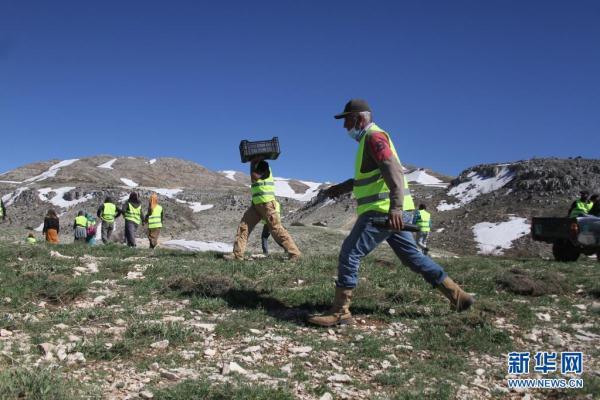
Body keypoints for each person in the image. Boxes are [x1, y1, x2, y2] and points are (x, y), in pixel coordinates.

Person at [308, 99, 474, 327]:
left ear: (359, 118)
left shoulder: (374, 137)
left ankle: (340, 312)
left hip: (383, 212)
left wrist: (394, 207)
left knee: (350, 252)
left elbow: (392, 168)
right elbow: (370, 176)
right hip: (395, 213)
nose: (345, 126)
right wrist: (341, 188)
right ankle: (458, 296)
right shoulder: (369, 140)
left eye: (347, 119)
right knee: (414, 258)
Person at [224, 158, 301, 261]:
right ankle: (237, 254)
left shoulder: (263, 164)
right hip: (256, 205)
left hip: (267, 204)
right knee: (244, 227)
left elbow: (254, 177)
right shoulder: (256, 165)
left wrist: (252, 163)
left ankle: (295, 254)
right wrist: (252, 164)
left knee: (276, 229)